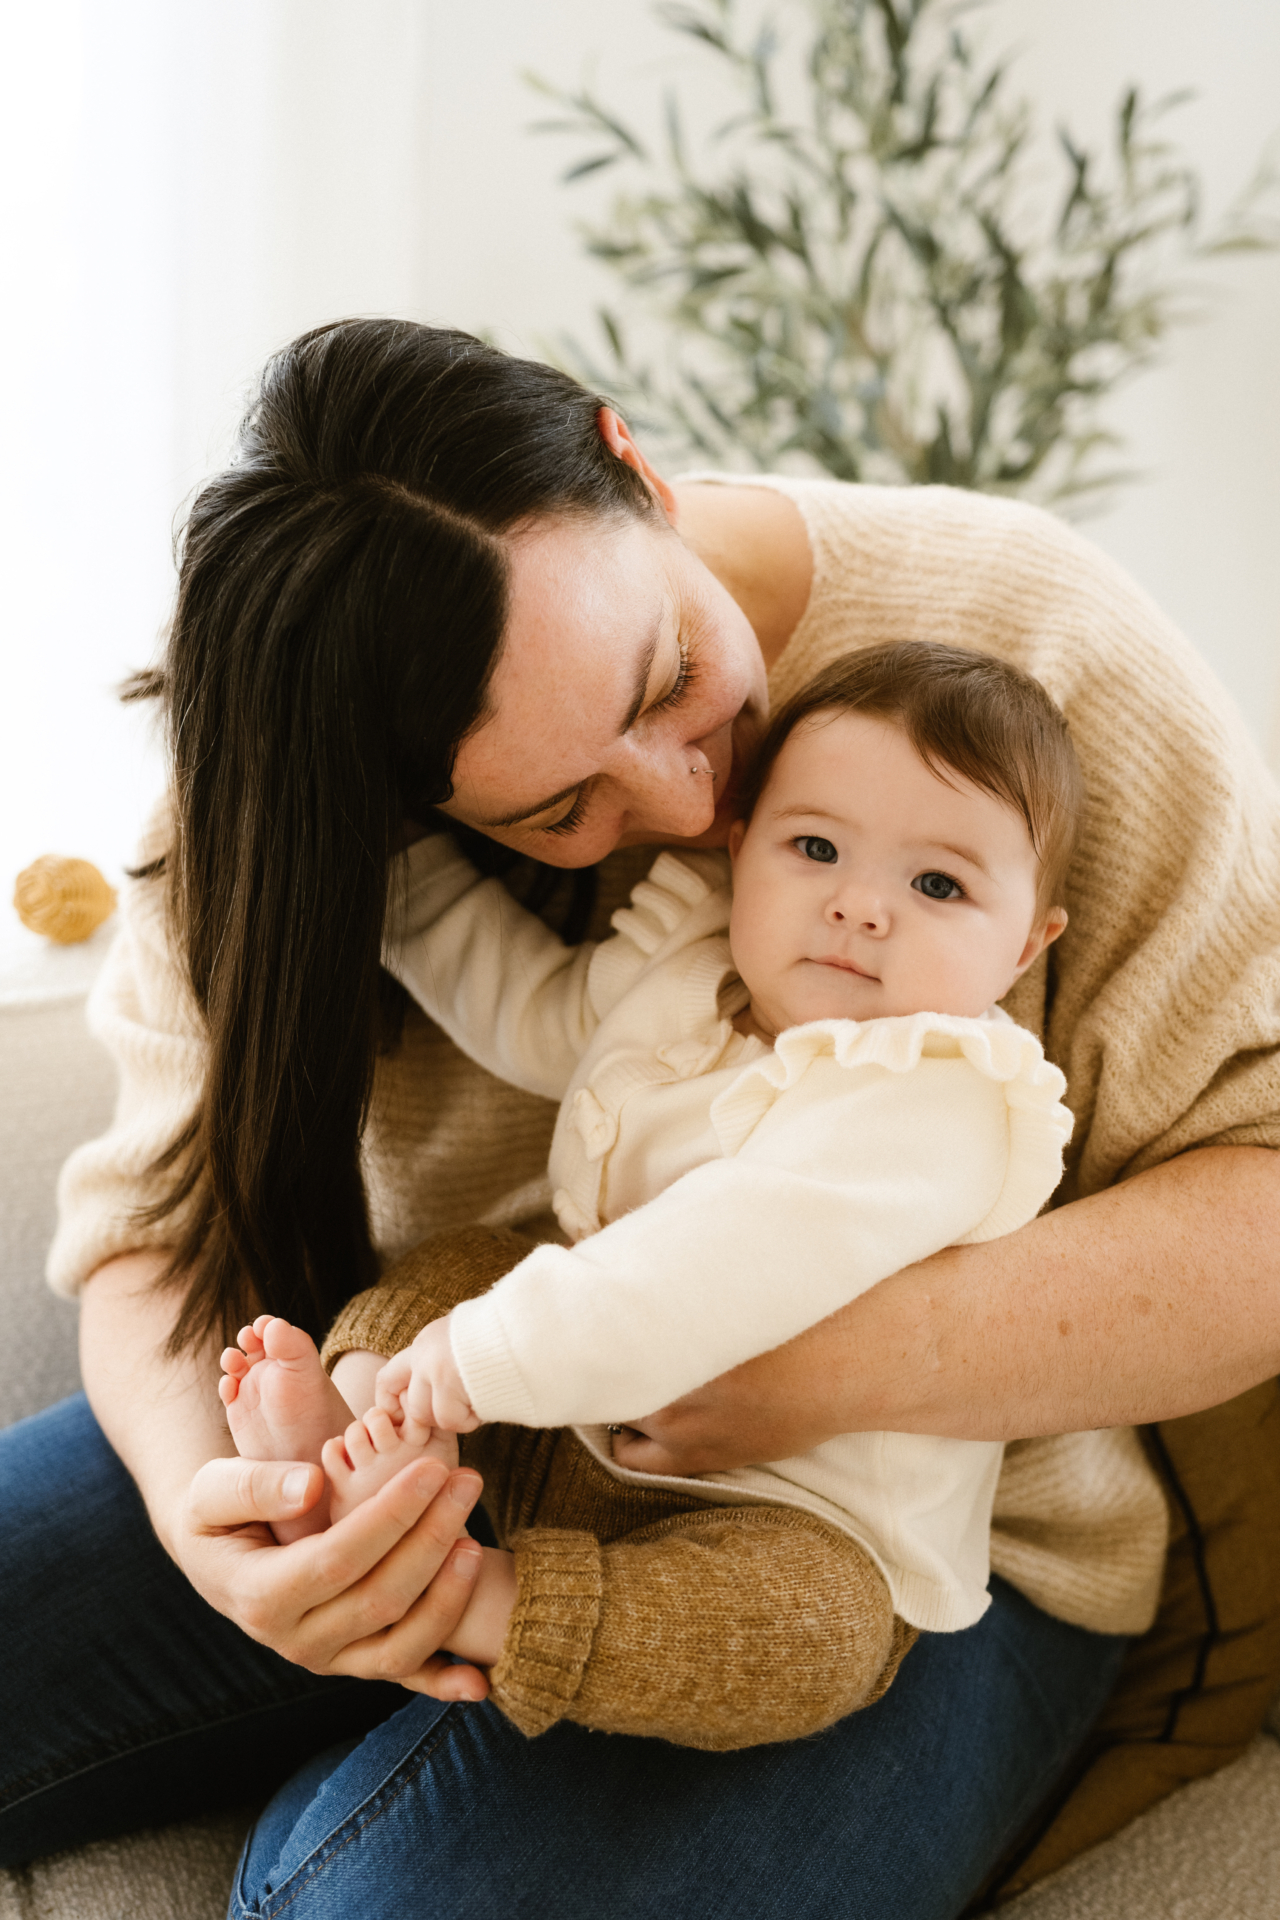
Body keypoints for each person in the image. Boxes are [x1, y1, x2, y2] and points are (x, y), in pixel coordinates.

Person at [2, 317, 1278, 1919]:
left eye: (670, 674)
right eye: (556, 811)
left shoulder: (1029, 647)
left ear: (630, 459)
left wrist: (789, 1367)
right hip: (449, 1422)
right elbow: (156, 1231)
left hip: (885, 1544)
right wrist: (237, 1547)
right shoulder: (312, 764)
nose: (691, 813)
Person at [217, 642, 1166, 1756]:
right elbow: (530, 1012)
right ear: (740, 849)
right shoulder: (688, 970)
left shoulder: (944, 1099)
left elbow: (715, 1264)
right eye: (813, 848)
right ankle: (372, 1424)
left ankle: (483, 1596)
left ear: (1022, 946)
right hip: (560, 1423)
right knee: (467, 1260)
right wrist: (399, 878)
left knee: (810, 1636)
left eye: (937, 885)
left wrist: (482, 1357)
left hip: (791, 1509)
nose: (860, 908)